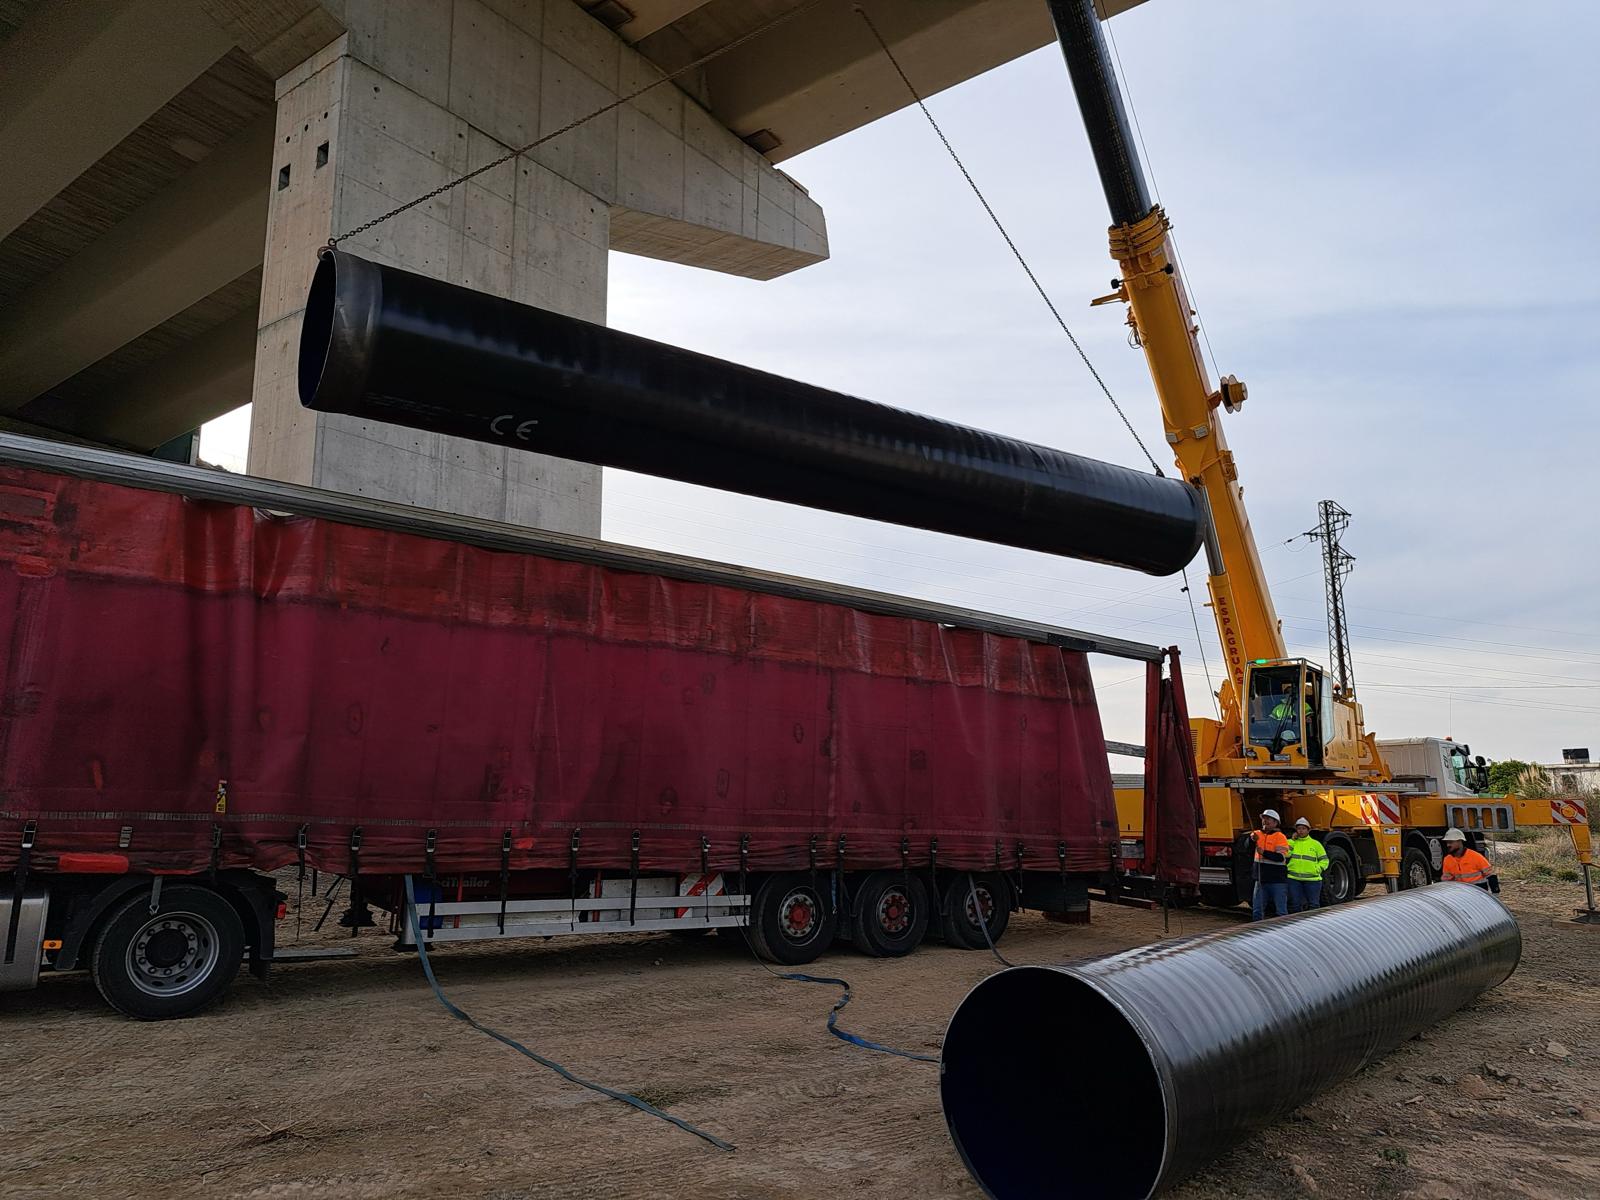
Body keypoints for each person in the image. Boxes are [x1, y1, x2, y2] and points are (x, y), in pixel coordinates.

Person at [1249, 809, 1290, 919]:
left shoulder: (1280, 837)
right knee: (1257, 910)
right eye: (1264, 818)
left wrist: (1264, 853)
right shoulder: (1256, 834)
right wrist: (1250, 840)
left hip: (1277, 880)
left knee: (1281, 911)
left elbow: (1280, 857)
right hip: (1261, 879)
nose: (1265, 821)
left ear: (1275, 822)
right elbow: (1244, 849)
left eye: (1268, 819)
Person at [1285, 817, 1329, 912]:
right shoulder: (1290, 842)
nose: (1301, 831)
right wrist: (1292, 842)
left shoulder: (1315, 844)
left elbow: (1325, 860)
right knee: (1295, 905)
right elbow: (1286, 855)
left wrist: (1317, 869)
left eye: (1303, 828)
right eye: (1299, 828)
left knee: (1314, 905)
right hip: (1294, 879)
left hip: (1312, 880)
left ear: (1308, 830)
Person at [1440, 828, 1500, 893]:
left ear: (1460, 841)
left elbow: (1491, 875)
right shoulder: (1447, 859)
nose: (1448, 845)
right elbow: (1446, 880)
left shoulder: (1475, 856)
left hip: (1478, 892)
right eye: (1447, 842)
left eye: (1450, 842)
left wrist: (1495, 893)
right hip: (1461, 894)